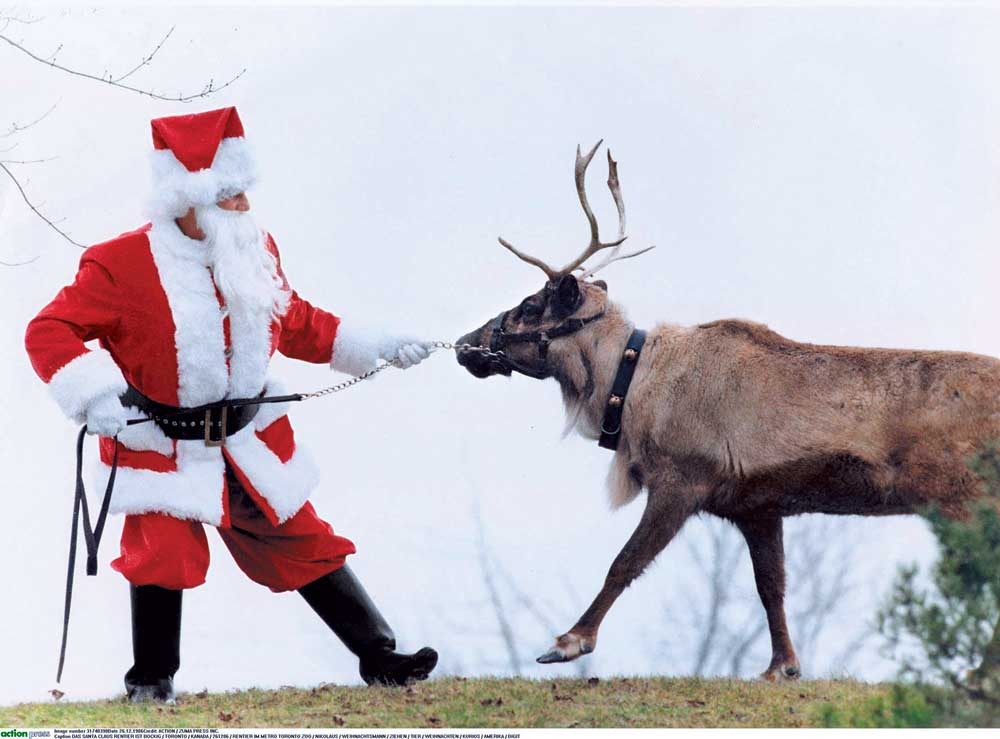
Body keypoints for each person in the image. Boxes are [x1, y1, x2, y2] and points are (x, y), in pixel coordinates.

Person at [24, 107, 438, 703]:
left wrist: (376, 344)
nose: (244, 206)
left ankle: (380, 657)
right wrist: (93, 395)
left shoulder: (253, 248)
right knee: (161, 557)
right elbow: (50, 328)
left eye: (244, 193)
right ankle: (150, 682)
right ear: (188, 199)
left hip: (248, 439)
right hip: (160, 443)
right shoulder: (119, 264)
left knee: (304, 539)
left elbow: (294, 320)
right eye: (230, 196)